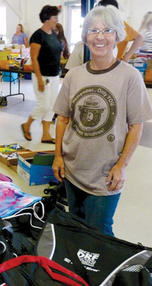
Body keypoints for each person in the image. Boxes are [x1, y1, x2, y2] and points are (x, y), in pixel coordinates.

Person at [52, 5, 152, 236]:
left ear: (117, 35)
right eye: (93, 30)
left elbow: (136, 125)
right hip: (72, 168)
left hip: (106, 174)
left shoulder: (130, 77)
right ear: (85, 37)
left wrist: (121, 166)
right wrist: (58, 156)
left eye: (107, 30)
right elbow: (63, 119)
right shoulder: (74, 75)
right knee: (75, 224)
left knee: (99, 232)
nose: (99, 37)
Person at [21, 5, 62, 144]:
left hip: (54, 75)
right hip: (42, 76)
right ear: (47, 19)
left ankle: (46, 135)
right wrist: (39, 79)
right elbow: (34, 59)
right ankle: (27, 125)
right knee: (44, 105)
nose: (57, 20)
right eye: (55, 17)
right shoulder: (37, 36)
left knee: (52, 106)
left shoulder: (54, 34)